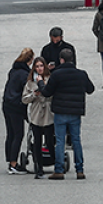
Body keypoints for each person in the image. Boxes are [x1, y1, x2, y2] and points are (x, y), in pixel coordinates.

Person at [40, 48, 94, 180]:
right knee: (76, 140)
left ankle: (59, 170)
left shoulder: (57, 74)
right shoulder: (81, 74)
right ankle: (80, 170)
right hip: (75, 112)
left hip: (60, 111)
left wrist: (41, 83)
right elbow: (90, 89)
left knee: (60, 141)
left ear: (61, 60)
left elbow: (47, 92)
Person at [2, 48, 33, 175]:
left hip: (7, 104)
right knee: (18, 134)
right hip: (16, 106)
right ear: (29, 60)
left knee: (10, 134)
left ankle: (10, 160)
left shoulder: (13, 70)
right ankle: (14, 164)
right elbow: (26, 91)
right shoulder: (24, 74)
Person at [22, 57, 54, 180]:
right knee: (37, 142)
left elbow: (52, 94)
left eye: (41, 66)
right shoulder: (30, 82)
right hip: (36, 114)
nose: (39, 68)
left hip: (48, 113)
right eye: (37, 66)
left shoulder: (50, 79)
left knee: (50, 141)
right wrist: (33, 95)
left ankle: (55, 160)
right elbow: (24, 99)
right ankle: (38, 167)